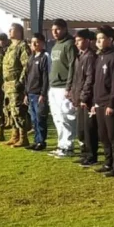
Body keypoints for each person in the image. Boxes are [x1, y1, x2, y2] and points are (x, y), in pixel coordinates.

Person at [88, 25, 114, 177]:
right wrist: (94, 103)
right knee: (103, 135)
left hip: (110, 103)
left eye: (102, 38)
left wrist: (112, 103)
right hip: (99, 102)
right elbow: (97, 82)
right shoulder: (99, 57)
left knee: (113, 135)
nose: (99, 41)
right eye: (97, 39)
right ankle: (107, 162)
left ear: (110, 39)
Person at [47, 19, 77, 157]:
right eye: (53, 30)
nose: (55, 32)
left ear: (65, 29)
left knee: (66, 117)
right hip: (53, 86)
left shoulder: (70, 44)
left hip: (64, 86)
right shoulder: (55, 46)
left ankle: (68, 146)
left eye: (58, 29)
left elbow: (72, 66)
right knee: (57, 117)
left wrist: (69, 86)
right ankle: (61, 144)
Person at [71, 29, 100, 167]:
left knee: (89, 130)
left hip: (87, 100)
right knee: (81, 130)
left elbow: (90, 78)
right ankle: (84, 153)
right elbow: (76, 78)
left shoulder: (90, 57)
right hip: (79, 98)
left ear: (87, 41)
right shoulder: (79, 56)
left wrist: (84, 97)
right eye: (75, 41)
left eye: (79, 40)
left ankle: (91, 155)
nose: (76, 43)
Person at [0, 24, 27, 147]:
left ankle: (23, 137)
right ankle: (14, 135)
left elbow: (26, 66)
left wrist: (21, 82)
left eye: (12, 29)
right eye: (9, 29)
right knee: (9, 110)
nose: (9, 31)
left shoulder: (22, 46)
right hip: (8, 84)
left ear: (19, 31)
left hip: (16, 84)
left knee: (18, 111)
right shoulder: (10, 47)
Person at [25, 33, 50, 150]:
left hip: (39, 94)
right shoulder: (31, 57)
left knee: (40, 118)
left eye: (37, 42)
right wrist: (26, 93)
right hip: (30, 93)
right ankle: (36, 140)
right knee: (34, 119)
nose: (34, 44)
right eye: (32, 42)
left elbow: (46, 76)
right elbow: (27, 76)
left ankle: (41, 142)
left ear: (42, 43)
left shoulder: (44, 57)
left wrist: (43, 94)